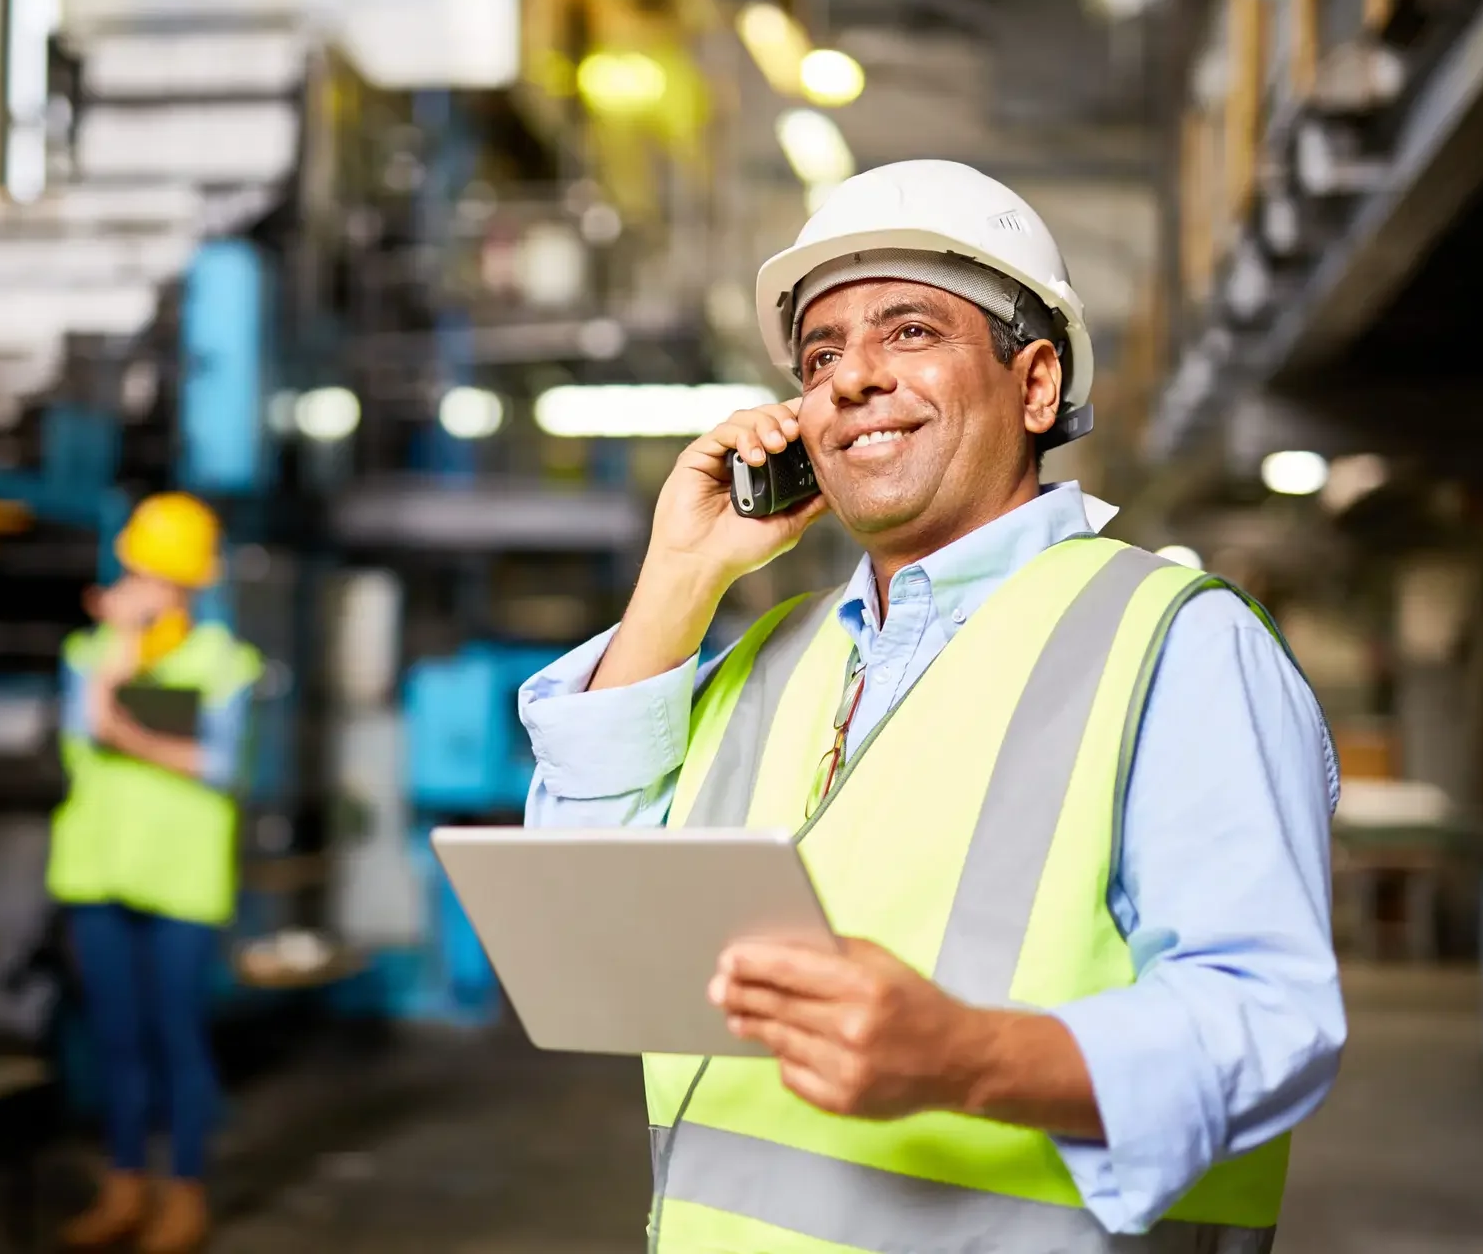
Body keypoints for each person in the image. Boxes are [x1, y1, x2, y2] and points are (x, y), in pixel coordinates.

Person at [520, 160, 1344, 1252]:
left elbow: (1269, 1020)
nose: (851, 376)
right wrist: (678, 574)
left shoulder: (1179, 643)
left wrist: (965, 1055)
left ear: (1036, 385)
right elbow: (583, 920)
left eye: (909, 331)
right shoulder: (774, 656)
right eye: (820, 354)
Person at [48, 492, 262, 1254]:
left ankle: (186, 1195)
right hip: (99, 877)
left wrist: (125, 732)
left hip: (180, 883)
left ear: (193, 586)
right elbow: (85, 728)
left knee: (178, 1038)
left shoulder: (225, 664)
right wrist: (121, 650)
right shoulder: (88, 655)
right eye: (142, 573)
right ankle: (123, 1188)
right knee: (116, 1040)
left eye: (164, 578)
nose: (150, 590)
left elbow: (219, 767)